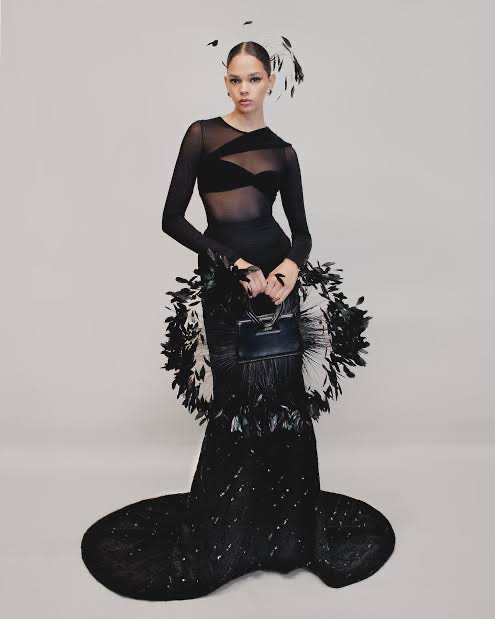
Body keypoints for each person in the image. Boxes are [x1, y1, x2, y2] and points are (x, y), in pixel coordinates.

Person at [81, 41, 396, 601]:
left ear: (271, 81)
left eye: (253, 79)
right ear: (225, 83)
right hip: (226, 281)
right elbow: (172, 219)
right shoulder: (201, 135)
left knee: (284, 404)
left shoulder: (284, 152)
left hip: (277, 283)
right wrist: (234, 265)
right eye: (234, 79)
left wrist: (289, 269)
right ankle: (226, 543)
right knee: (236, 406)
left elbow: (301, 232)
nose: (243, 89)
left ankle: (287, 541)